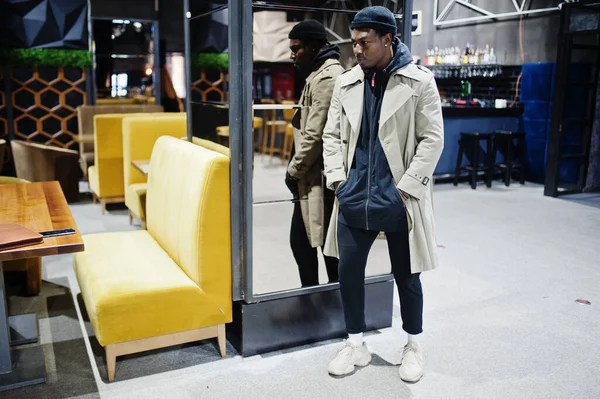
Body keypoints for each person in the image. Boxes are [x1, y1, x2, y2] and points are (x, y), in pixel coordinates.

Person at [322, 6, 444, 382]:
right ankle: (355, 343)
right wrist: (338, 180)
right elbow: (331, 135)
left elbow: (432, 139)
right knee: (349, 272)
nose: (355, 50)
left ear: (388, 39)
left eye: (364, 42)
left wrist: (406, 190)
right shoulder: (347, 82)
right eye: (353, 42)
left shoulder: (419, 82)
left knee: (407, 275)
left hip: (398, 196)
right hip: (354, 194)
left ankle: (412, 345)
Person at [284, 20, 345, 288]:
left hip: (319, 175)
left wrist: (294, 170)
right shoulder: (320, 73)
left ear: (312, 46)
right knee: (312, 241)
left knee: (316, 243)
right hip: (313, 174)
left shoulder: (328, 77)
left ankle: (327, 301)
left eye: (296, 48)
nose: (292, 54)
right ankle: (320, 299)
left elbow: (315, 133)